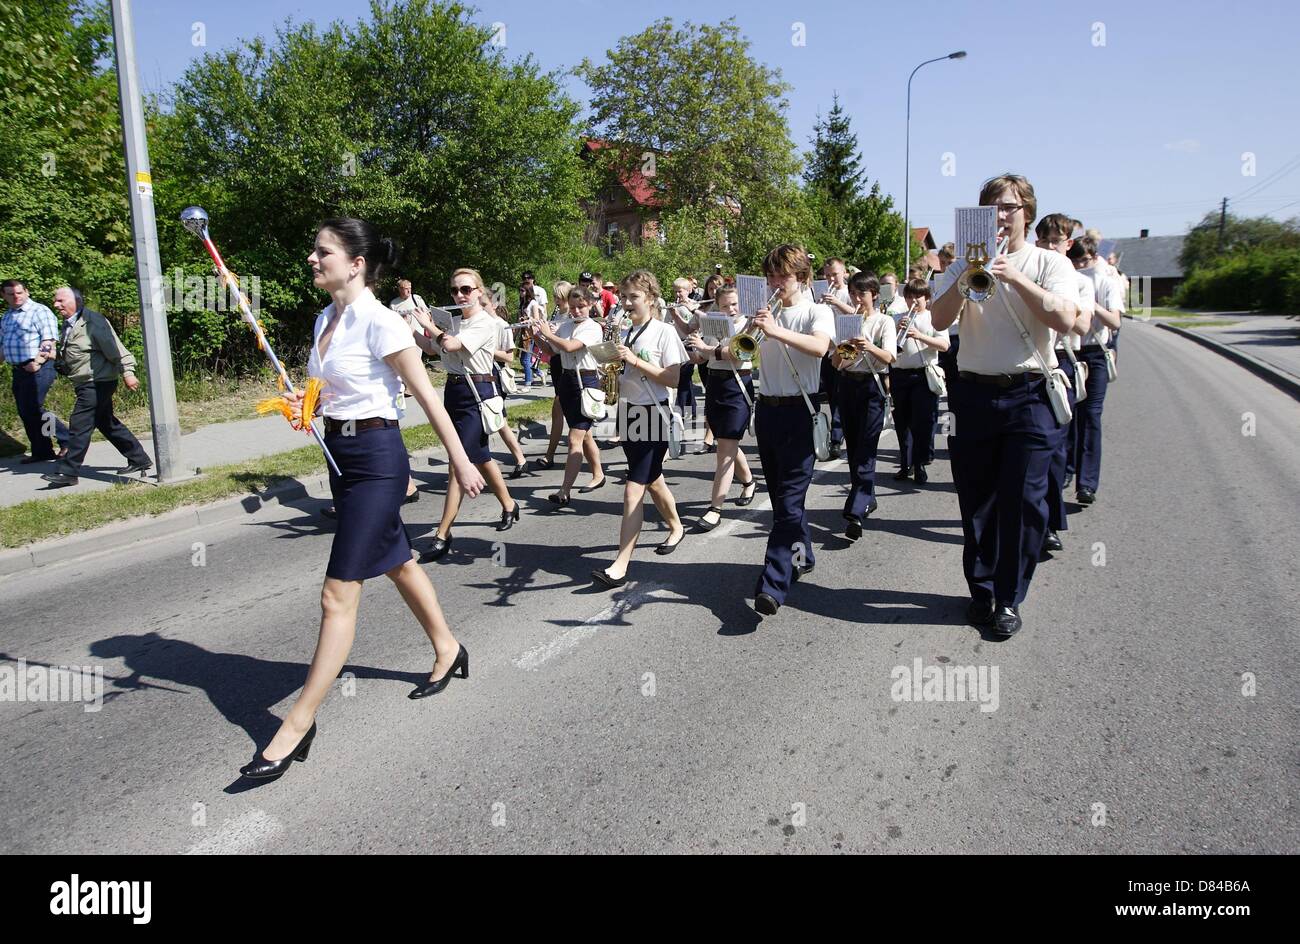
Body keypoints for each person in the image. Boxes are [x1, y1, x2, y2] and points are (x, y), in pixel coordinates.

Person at [238, 217, 487, 779]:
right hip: (340, 456)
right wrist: (301, 403)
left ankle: (299, 723)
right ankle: (448, 648)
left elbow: (427, 398)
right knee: (397, 561)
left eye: (322, 251)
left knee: (336, 594)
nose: (311, 258)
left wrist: (462, 460)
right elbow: (324, 392)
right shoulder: (326, 317)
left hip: (377, 459)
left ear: (355, 263)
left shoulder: (381, 322)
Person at [930, 174, 1078, 639]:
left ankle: (1009, 598)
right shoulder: (960, 265)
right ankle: (982, 590)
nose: (1000, 215)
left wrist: (1014, 277)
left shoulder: (1048, 262)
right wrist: (972, 272)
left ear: (1026, 213)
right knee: (977, 501)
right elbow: (937, 319)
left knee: (1024, 502)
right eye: (992, 207)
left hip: (1030, 393)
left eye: (1009, 207)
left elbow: (1066, 318)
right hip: (973, 392)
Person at [412, 268, 521, 561]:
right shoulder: (456, 323)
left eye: (466, 289)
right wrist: (409, 324)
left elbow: (450, 344)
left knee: (457, 466)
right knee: (481, 458)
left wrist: (431, 326)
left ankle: (442, 534)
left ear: (479, 291)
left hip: (478, 394)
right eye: (455, 290)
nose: (459, 295)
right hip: (456, 392)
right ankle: (510, 504)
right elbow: (433, 349)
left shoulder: (486, 323)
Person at [750, 244, 834, 616]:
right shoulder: (765, 313)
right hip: (767, 411)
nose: (774, 282)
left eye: (781, 275)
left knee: (786, 504)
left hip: (801, 411)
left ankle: (773, 581)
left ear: (801, 276)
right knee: (784, 497)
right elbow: (738, 351)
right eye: (770, 275)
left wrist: (775, 331)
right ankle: (803, 552)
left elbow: (819, 348)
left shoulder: (818, 311)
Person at [590, 270, 687, 588]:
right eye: (624, 296)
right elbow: (617, 377)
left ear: (650, 299)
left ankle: (620, 564)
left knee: (634, 487)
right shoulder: (624, 332)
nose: (627, 302)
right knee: (653, 480)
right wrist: (608, 369)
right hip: (628, 414)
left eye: (634, 297)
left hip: (654, 415)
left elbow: (673, 379)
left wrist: (634, 360)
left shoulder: (663, 332)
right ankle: (676, 526)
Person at [41, 287, 151, 488]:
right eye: (55, 301)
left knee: (79, 424)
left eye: (60, 301)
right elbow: (77, 352)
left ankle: (68, 472)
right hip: (86, 382)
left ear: (76, 300)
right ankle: (139, 458)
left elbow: (115, 348)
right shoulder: (70, 324)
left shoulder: (93, 322)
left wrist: (128, 372)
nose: (56, 305)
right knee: (106, 422)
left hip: (97, 382)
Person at [1033, 213, 1094, 556]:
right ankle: (1032, 522)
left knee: (1055, 453)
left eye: (1058, 241)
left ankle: (1050, 523)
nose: (1051, 247)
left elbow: (1081, 325)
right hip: (1029, 366)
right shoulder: (1031, 271)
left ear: (1068, 245)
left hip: (1059, 365)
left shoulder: (1078, 281)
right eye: (1045, 241)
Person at [682, 285, 757, 530]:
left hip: (737, 387)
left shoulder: (750, 323)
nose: (731, 309)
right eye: (725, 305)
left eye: (734, 304)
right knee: (728, 442)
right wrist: (690, 346)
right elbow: (700, 359)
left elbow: (738, 355)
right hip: (715, 385)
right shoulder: (713, 323)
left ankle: (715, 508)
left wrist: (706, 349)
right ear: (717, 305)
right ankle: (748, 481)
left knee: (724, 448)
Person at [831, 271, 895, 539]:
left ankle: (855, 511)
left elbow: (890, 357)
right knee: (854, 447)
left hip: (872, 386)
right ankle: (867, 495)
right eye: (854, 294)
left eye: (862, 294)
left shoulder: (884, 321)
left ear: (874, 296)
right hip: (848, 385)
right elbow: (836, 363)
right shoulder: (846, 322)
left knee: (867, 448)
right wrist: (844, 348)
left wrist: (867, 345)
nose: (857, 299)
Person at [531, 288, 607, 504]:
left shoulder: (592, 327)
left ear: (590, 305)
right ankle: (598, 474)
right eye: (572, 307)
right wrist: (537, 335)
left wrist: (548, 332)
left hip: (586, 381)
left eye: (580, 306)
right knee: (585, 435)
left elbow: (572, 347)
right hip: (567, 381)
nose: (575, 311)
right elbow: (553, 350)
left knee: (575, 438)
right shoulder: (565, 325)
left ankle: (564, 490)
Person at [1066, 234, 1122, 507]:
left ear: (1094, 257)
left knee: (1090, 416)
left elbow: (1114, 321)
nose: (1079, 265)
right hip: (1071, 353)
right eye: (1074, 260)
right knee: (1068, 415)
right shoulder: (1065, 279)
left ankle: (1086, 483)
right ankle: (1067, 469)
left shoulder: (1105, 282)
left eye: (1084, 260)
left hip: (1096, 352)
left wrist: (1090, 303)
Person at [2, 279, 68, 463]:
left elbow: (49, 341)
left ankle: (67, 439)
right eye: (10, 294)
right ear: (4, 296)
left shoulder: (39, 311)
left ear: (27, 292)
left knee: (33, 406)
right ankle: (42, 451)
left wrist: (38, 362)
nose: (16, 297)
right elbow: (3, 346)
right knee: (25, 410)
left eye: (19, 293)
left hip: (39, 366)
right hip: (19, 369)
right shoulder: (7, 316)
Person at [890, 279, 948, 484]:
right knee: (902, 423)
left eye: (918, 297)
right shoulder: (897, 318)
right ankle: (906, 464)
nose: (913, 301)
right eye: (909, 297)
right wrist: (897, 330)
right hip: (900, 375)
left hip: (923, 376)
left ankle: (920, 463)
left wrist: (919, 335)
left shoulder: (935, 318)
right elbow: (888, 347)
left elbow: (943, 345)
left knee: (922, 422)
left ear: (927, 298)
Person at [818, 258, 854, 460]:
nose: (831, 278)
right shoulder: (823, 293)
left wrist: (837, 303)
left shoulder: (850, 292)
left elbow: (859, 315)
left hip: (847, 350)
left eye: (835, 274)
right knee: (832, 396)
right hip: (828, 350)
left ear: (844, 273)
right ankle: (837, 434)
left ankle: (836, 438)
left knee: (842, 396)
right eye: (828, 274)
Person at [488, 303, 528, 479]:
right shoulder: (475, 322)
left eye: (483, 304)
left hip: (494, 374)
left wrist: (486, 349)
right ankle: (520, 459)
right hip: (478, 374)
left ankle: (519, 458)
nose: (480, 307)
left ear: (493, 304)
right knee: (496, 420)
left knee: (497, 419)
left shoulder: (500, 324)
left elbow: (509, 357)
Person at [667, 277, 701, 429]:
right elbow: (667, 324)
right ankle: (692, 409)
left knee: (683, 378)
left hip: (689, 345)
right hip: (676, 344)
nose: (677, 294)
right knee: (685, 380)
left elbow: (693, 327)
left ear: (688, 291)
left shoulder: (694, 306)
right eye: (675, 291)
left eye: (680, 291)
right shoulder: (673, 306)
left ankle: (679, 410)